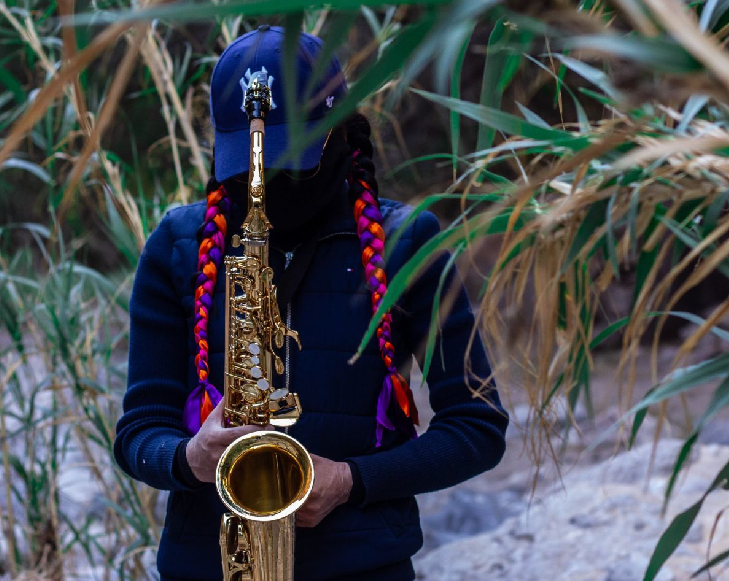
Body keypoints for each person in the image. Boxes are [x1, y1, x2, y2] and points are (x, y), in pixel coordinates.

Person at [113, 25, 508, 581]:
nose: (262, 181)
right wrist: (190, 457)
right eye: (246, 163)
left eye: (287, 158)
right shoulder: (177, 245)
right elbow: (138, 433)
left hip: (363, 567)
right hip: (210, 565)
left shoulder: (408, 242)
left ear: (342, 130)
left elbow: (477, 427)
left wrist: (352, 480)